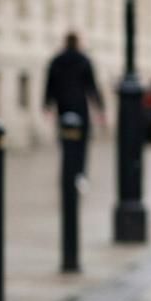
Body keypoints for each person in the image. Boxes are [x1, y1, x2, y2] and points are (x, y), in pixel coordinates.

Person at [42, 32, 107, 191]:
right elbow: (92, 86)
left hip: (63, 106)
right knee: (81, 143)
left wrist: (47, 104)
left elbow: (50, 84)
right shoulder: (84, 60)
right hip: (80, 106)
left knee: (65, 142)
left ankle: (67, 174)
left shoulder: (57, 60)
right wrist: (100, 108)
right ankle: (79, 174)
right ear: (78, 42)